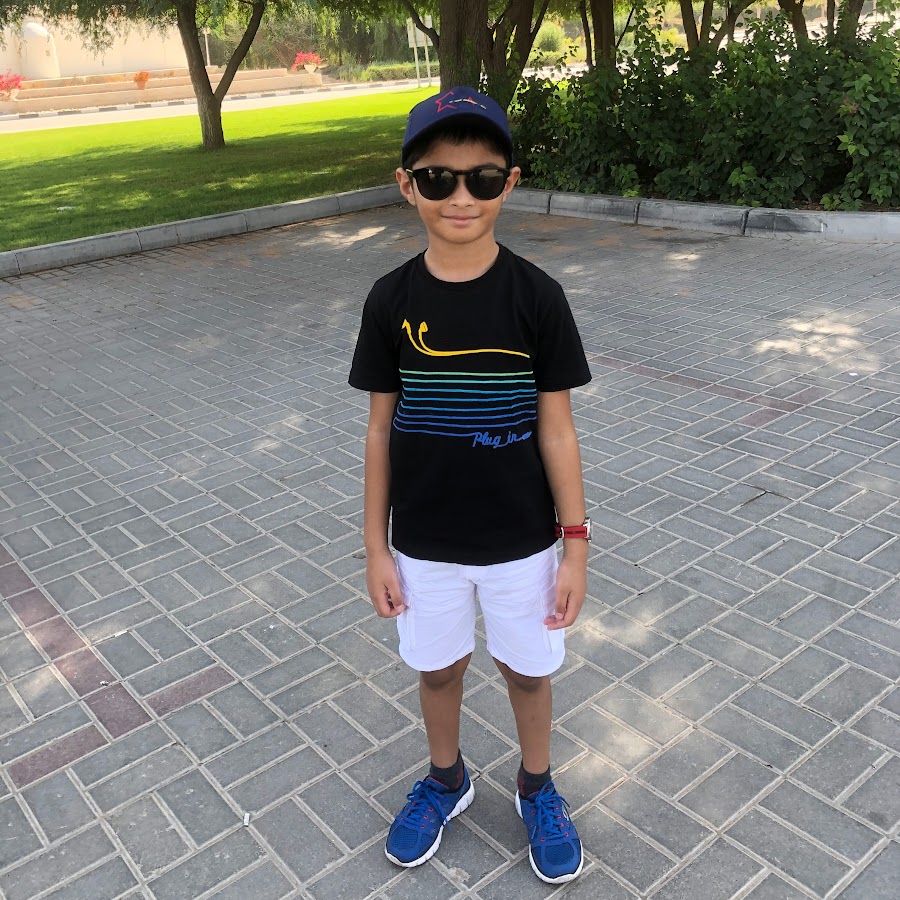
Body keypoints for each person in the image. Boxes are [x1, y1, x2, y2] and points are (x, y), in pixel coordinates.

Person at [348, 86, 591, 885]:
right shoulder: (390, 300)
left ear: (509, 183)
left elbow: (557, 430)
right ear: (406, 184)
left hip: (522, 540)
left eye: (482, 178)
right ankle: (446, 780)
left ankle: (537, 786)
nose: (461, 196)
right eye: (439, 178)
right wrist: (375, 547)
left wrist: (575, 546)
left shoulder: (537, 297)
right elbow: (380, 430)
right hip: (424, 543)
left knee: (527, 671)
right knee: (439, 669)